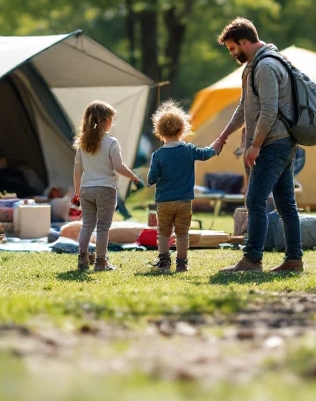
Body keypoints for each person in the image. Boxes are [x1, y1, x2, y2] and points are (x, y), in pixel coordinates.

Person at [209, 18, 304, 274]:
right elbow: (244, 107)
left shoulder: (266, 67)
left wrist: (256, 145)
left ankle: (252, 260)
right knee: (285, 203)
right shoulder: (253, 67)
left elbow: (270, 110)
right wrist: (224, 135)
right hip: (278, 142)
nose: (232, 54)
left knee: (255, 200)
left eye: (232, 48)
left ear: (244, 42)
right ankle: (294, 260)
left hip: (275, 143)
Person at [145, 101, 219, 273]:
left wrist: (151, 179)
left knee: (163, 232)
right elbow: (205, 154)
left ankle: (163, 262)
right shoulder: (189, 150)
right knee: (182, 233)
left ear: (159, 132)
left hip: (164, 202)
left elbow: (152, 177)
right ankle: (181, 263)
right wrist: (215, 147)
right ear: (181, 130)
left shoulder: (158, 155)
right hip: (185, 201)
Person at [72, 100, 143, 272]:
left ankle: (82, 257)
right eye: (111, 119)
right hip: (105, 189)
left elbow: (77, 170)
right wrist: (133, 176)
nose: (112, 122)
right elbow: (118, 166)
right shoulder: (111, 142)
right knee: (103, 226)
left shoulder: (82, 144)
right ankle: (101, 262)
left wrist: (77, 191)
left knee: (87, 224)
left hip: (86, 189)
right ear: (104, 120)